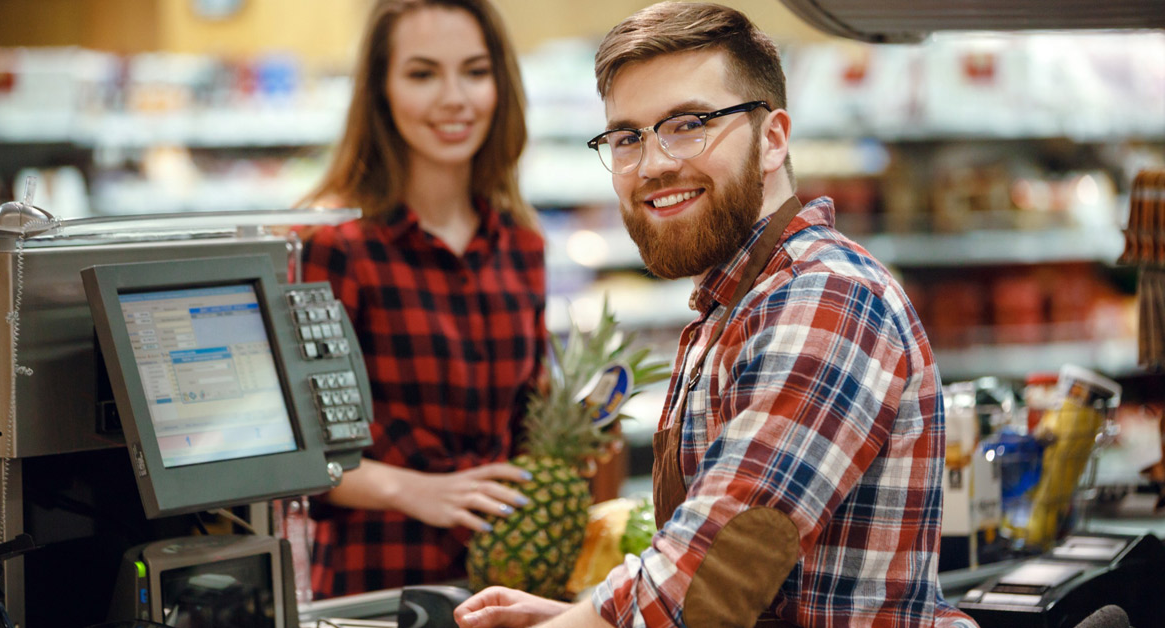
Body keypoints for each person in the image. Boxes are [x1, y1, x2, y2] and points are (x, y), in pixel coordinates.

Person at [455, 3, 979, 627]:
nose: (652, 165)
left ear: (774, 138)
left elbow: (711, 577)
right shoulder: (735, 306)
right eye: (627, 138)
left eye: (688, 124)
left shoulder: (824, 299)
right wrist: (567, 617)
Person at [299, 0, 544, 599]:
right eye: (422, 73)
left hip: (504, 583)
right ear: (380, 91)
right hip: (377, 588)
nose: (455, 97)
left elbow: (524, 432)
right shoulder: (333, 247)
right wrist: (418, 490)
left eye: (476, 71)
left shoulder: (522, 246)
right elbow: (302, 454)